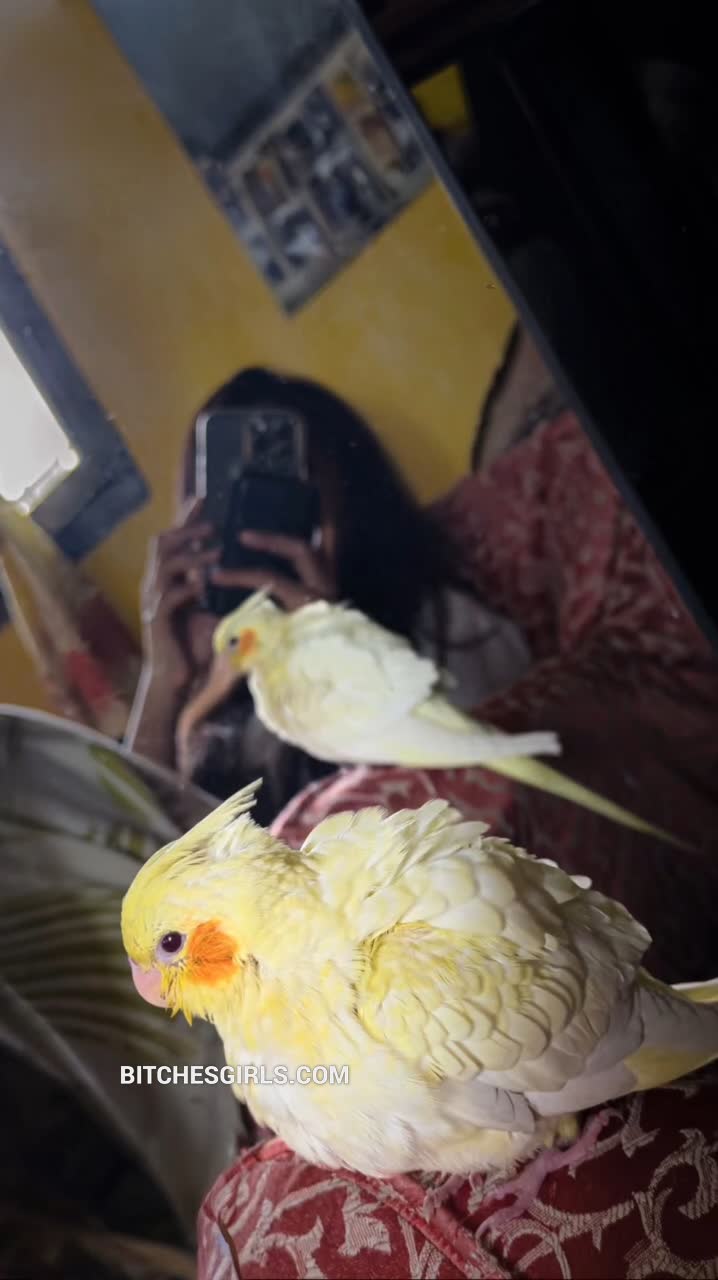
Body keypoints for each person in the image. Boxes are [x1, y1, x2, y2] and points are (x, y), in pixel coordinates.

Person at [125, 367, 531, 823]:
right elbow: (130, 844)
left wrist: (335, 650)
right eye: (226, 504)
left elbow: (475, 805)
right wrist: (163, 681)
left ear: (349, 502)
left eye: (280, 501)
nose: (253, 529)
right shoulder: (218, 687)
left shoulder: (448, 629)